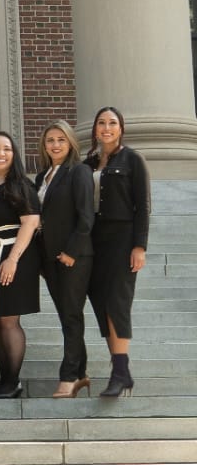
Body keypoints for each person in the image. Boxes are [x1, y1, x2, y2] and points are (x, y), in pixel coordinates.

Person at [85, 106, 150, 398]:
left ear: (121, 128)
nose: (106, 128)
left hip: (122, 239)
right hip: (94, 240)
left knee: (117, 304)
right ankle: (121, 371)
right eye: (101, 123)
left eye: (112, 123)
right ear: (95, 129)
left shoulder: (133, 159)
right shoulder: (87, 163)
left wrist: (139, 246)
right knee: (101, 304)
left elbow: (143, 206)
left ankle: (120, 372)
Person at [0, 131, 41, 399]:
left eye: (7, 149)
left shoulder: (22, 185)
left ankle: (12, 381)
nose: (1, 153)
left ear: (14, 155)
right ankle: (5, 379)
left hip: (13, 257)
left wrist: (12, 259)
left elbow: (31, 223)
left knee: (9, 321)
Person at [34, 120, 95, 398]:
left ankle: (69, 376)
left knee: (71, 315)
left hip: (74, 257)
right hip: (49, 259)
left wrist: (72, 252)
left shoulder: (79, 171)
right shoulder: (41, 176)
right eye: (50, 140)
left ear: (70, 142)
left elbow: (85, 217)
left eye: (60, 139)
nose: (55, 145)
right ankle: (81, 374)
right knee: (66, 316)